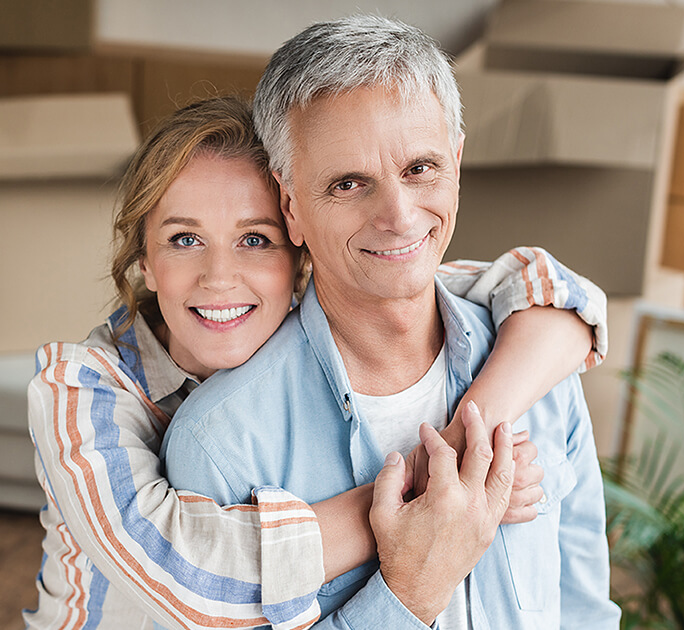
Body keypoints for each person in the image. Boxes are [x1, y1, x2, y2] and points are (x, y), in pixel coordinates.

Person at [25, 95, 608, 629]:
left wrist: (466, 434)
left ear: (300, 249)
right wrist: (432, 487)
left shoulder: (321, 307)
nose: (220, 277)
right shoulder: (80, 390)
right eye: (183, 239)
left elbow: (550, 291)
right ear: (144, 264)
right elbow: (191, 577)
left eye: (255, 239)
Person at [162, 15, 621, 630]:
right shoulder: (220, 447)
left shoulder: (536, 363)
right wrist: (409, 592)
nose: (399, 216)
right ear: (291, 204)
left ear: (456, 164)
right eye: (349, 183)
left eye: (420, 169)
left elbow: (585, 607)